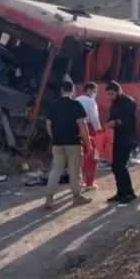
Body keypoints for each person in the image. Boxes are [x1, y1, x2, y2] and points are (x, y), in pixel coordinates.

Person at [44, 81, 92, 209]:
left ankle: (49, 197)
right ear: (72, 91)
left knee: (56, 169)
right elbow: (82, 125)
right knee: (74, 170)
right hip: (73, 143)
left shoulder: (53, 105)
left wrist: (54, 138)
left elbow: (48, 125)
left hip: (57, 144)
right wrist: (88, 142)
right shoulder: (76, 105)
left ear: (61, 90)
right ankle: (77, 196)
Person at [104, 81, 138, 204]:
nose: (110, 97)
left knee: (120, 166)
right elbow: (112, 117)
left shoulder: (128, 102)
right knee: (115, 166)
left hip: (126, 138)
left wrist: (115, 123)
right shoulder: (114, 103)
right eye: (108, 95)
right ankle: (120, 192)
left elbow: (129, 121)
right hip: (116, 138)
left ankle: (129, 193)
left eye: (112, 94)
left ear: (119, 91)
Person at [75, 82, 102, 191]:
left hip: (75, 131)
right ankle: (89, 183)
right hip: (89, 129)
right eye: (95, 91)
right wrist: (99, 133)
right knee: (92, 156)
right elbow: (94, 119)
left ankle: (78, 181)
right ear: (90, 90)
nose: (95, 93)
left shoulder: (76, 100)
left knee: (78, 156)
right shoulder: (91, 102)